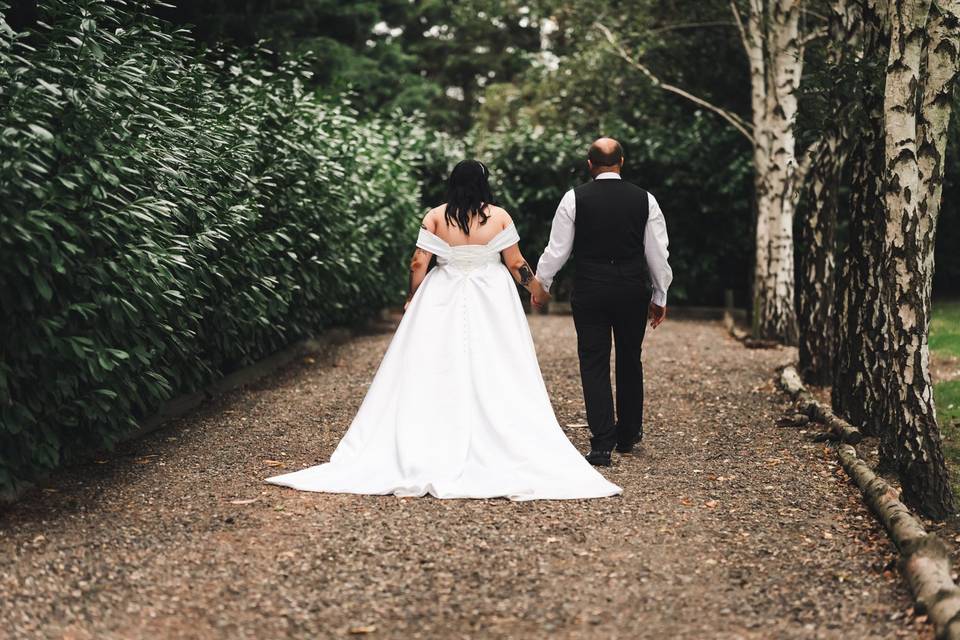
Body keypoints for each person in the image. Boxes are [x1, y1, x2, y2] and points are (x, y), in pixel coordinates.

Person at [266, 160, 621, 500]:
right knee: (497, 359)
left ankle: (433, 426)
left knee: (433, 361)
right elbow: (515, 263)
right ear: (484, 185)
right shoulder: (498, 217)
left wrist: (412, 297)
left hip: (443, 291)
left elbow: (420, 261)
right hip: (490, 293)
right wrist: (536, 291)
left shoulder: (435, 215)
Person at [533, 138, 673, 467]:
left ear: (589, 164)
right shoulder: (645, 200)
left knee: (593, 361)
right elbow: (657, 251)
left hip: (591, 288)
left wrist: (542, 284)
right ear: (621, 162)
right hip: (630, 288)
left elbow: (557, 250)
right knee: (629, 358)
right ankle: (628, 433)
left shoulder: (574, 198)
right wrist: (660, 294)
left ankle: (601, 444)